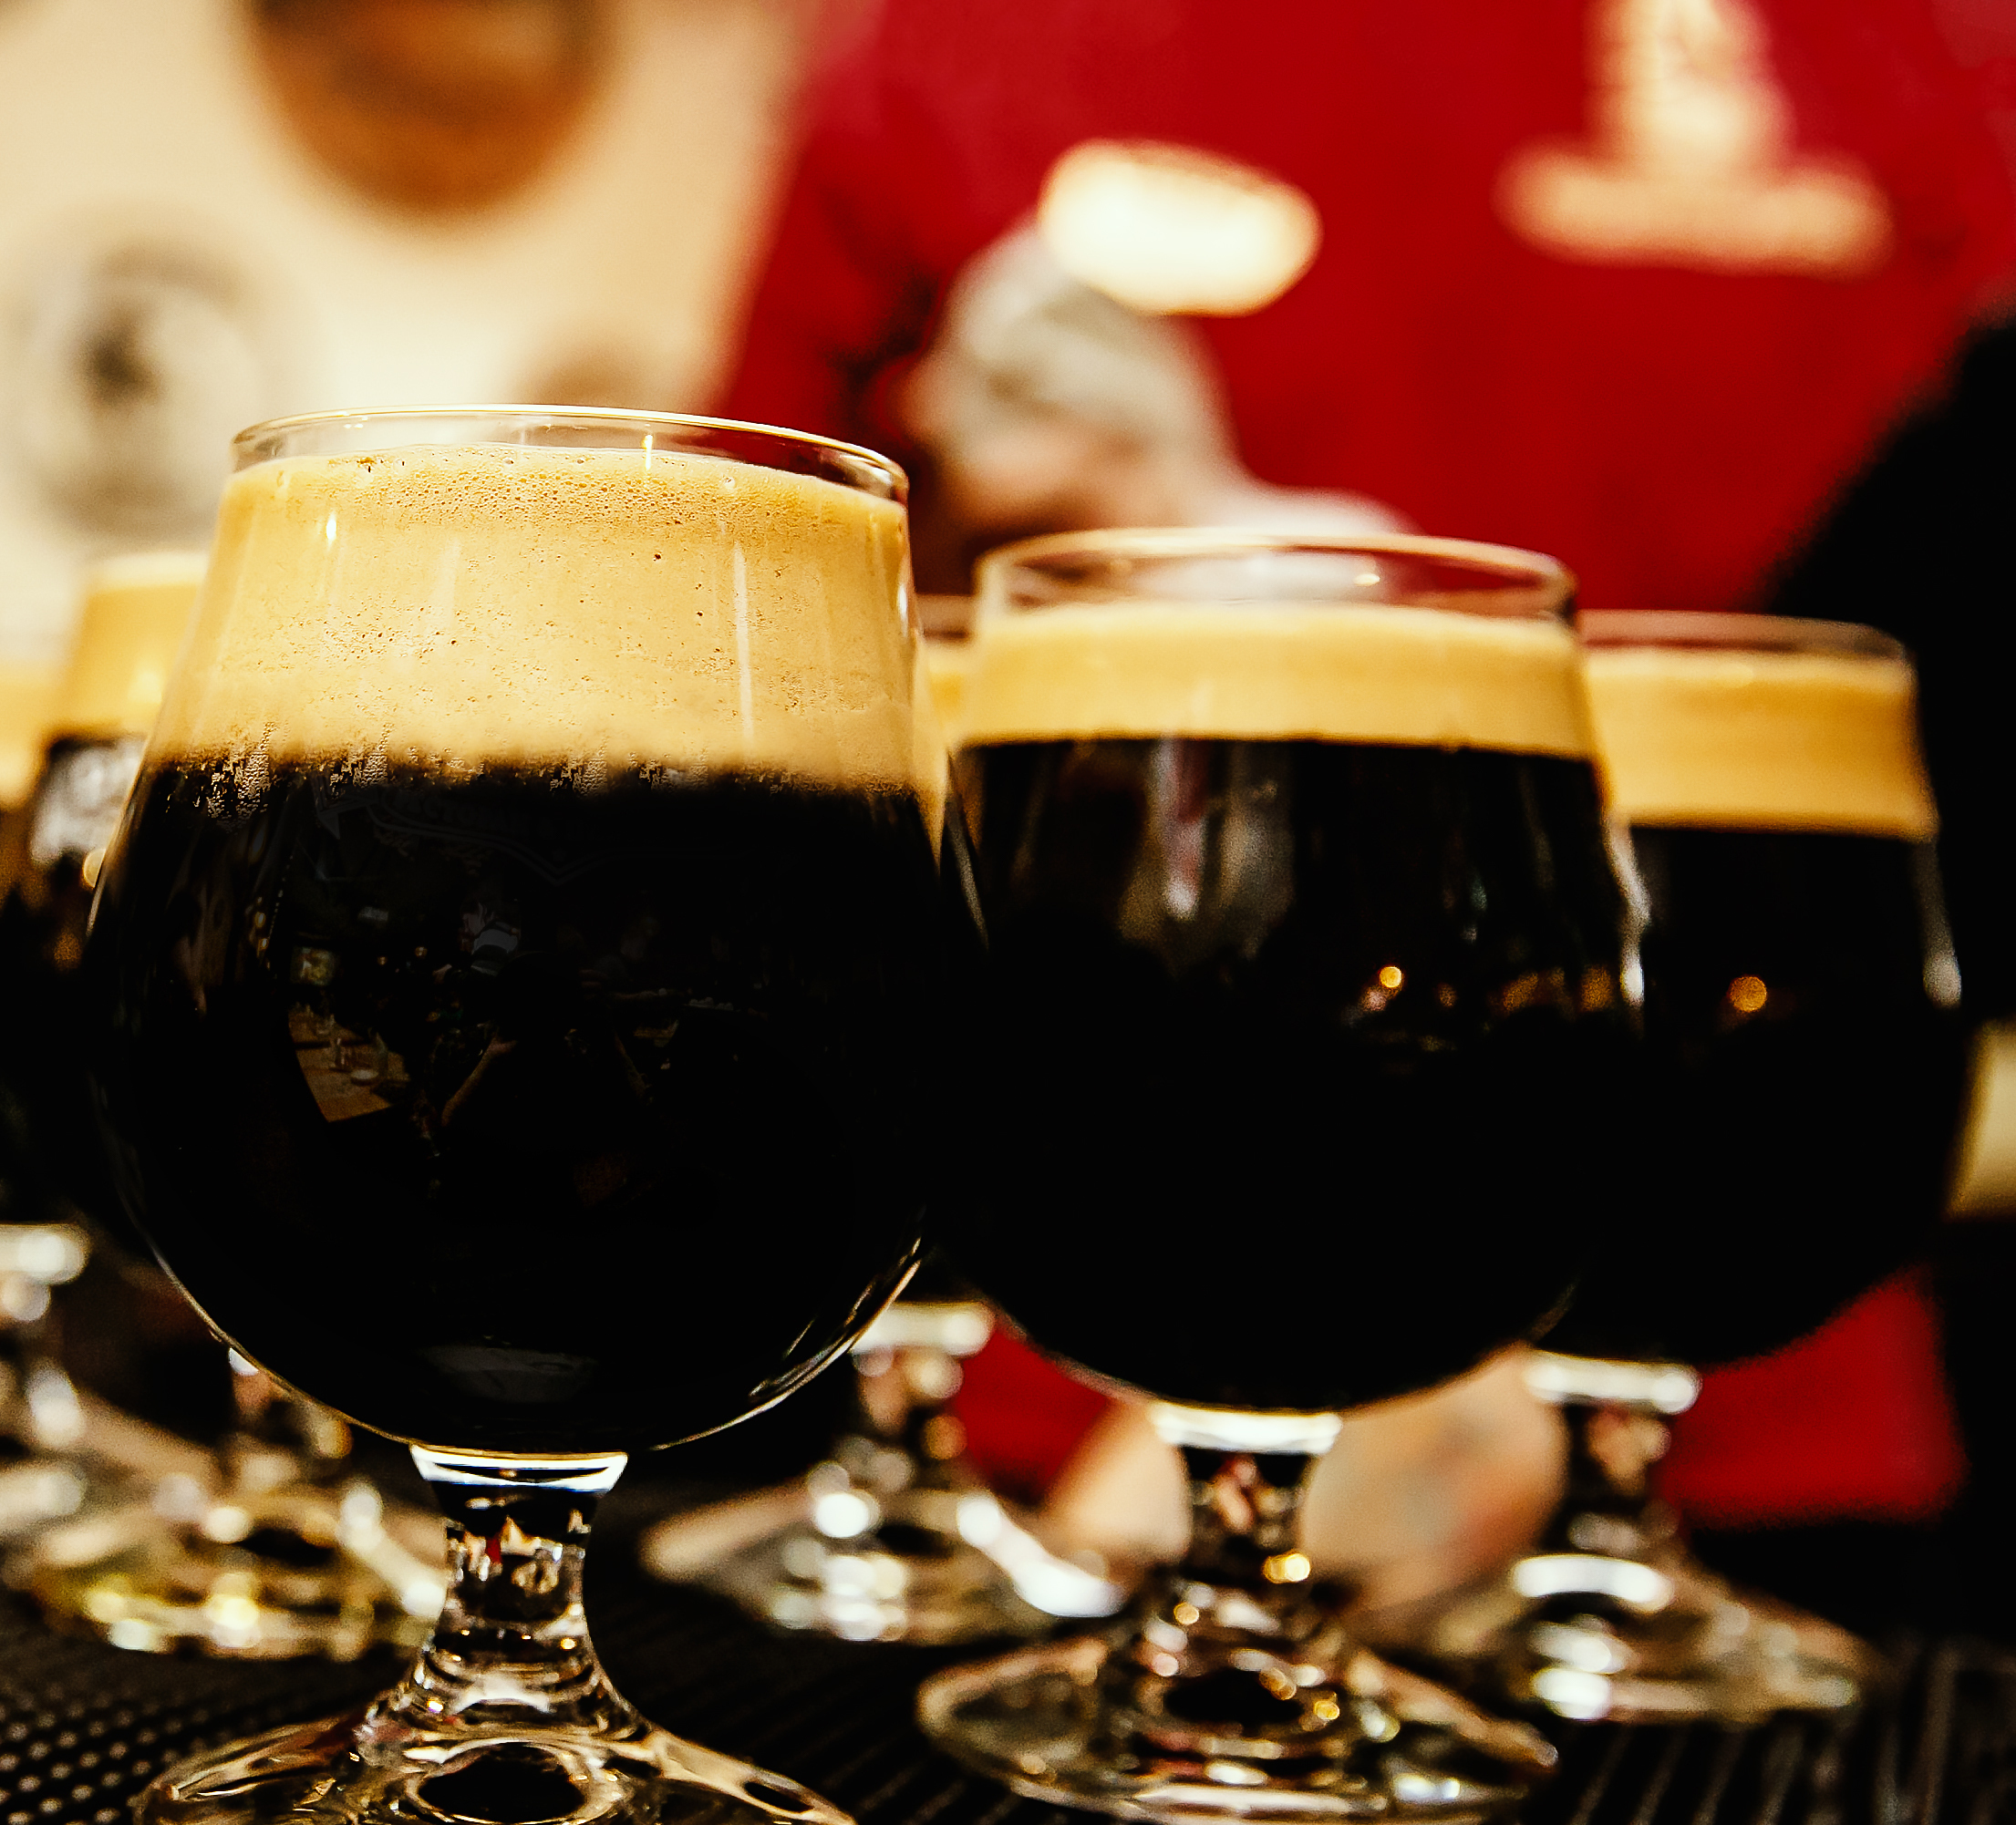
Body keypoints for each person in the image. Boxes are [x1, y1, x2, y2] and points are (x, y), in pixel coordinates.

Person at [717, 0, 2016, 1565]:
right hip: (1023, 1406)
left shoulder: (1938, 56)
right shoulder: (953, 52)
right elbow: (744, 619)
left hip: (1760, 1429)